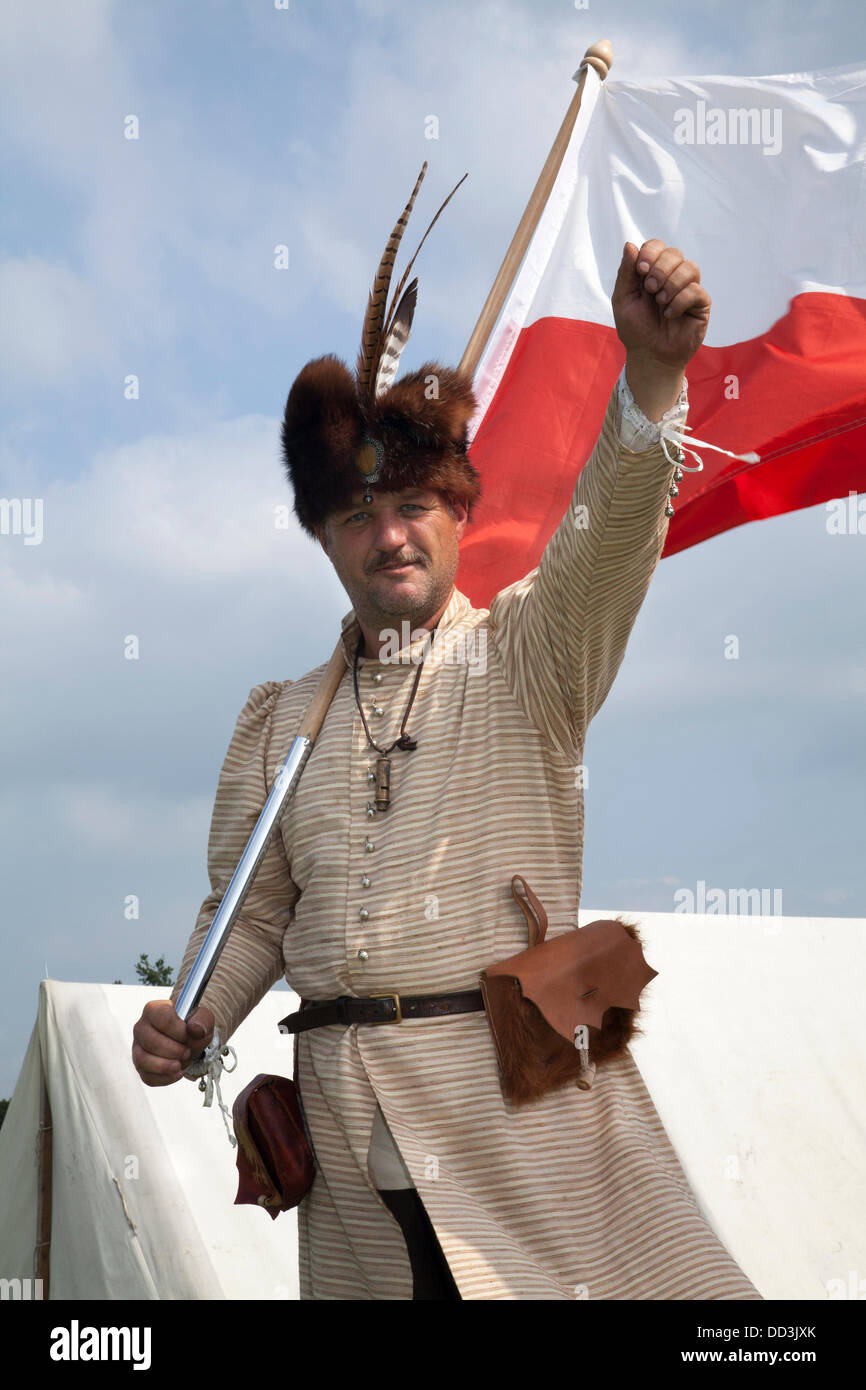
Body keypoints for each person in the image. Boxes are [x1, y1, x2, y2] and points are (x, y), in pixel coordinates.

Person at [132, 167, 762, 1301]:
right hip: (350, 1167)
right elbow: (254, 910)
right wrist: (196, 1013)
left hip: (519, 1131)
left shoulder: (530, 654)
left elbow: (603, 544)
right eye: (353, 516)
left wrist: (652, 376)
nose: (386, 536)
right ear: (323, 540)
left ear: (460, 514)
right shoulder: (277, 720)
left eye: (412, 506)